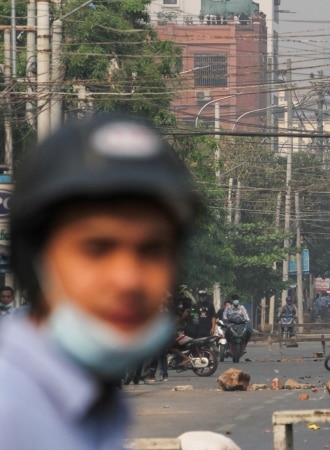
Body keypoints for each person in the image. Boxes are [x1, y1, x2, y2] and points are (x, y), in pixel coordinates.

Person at [0, 116, 201, 448]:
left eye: (152, 250)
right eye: (96, 248)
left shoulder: (93, 403)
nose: (128, 280)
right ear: (34, 259)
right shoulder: (10, 411)